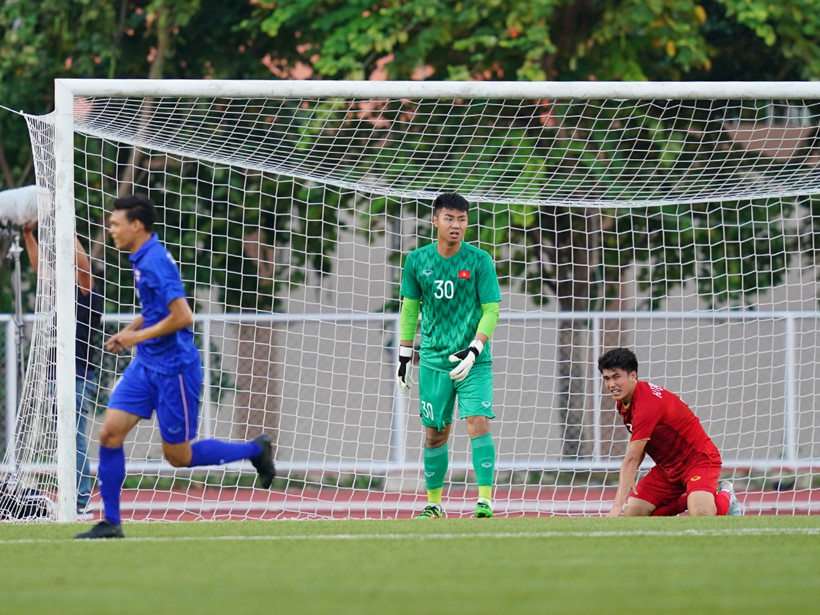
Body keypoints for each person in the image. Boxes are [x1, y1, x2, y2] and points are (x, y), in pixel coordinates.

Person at [75, 194, 275, 539]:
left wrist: (136, 338)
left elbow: (183, 316)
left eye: (115, 224)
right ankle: (111, 522)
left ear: (136, 225)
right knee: (109, 433)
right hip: (146, 365)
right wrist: (133, 330)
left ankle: (255, 449)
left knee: (178, 457)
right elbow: (158, 308)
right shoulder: (141, 256)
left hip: (174, 369)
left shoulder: (154, 262)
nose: (110, 230)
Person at [396, 193, 501, 519]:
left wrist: (476, 347)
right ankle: (434, 504)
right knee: (435, 432)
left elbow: (491, 310)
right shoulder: (417, 261)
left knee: (477, 422)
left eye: (461, 219)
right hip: (433, 361)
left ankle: (484, 500)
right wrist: (404, 354)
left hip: (474, 361)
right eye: (449, 218)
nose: (456, 225)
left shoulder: (480, 260)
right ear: (436, 221)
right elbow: (410, 308)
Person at [597, 347, 742, 517]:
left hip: (698, 461)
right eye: (606, 379)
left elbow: (632, 458)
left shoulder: (646, 405)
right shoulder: (624, 399)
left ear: (633, 376)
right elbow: (640, 447)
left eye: (616, 377)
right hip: (667, 468)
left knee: (702, 515)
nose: (611, 384)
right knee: (634, 516)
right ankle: (692, 498)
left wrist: (616, 508)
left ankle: (725, 494)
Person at [22, 221, 103, 514]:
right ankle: (74, 497)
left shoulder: (86, 294)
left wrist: (65, 230)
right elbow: (39, 268)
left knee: (74, 436)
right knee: (64, 437)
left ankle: (81, 502)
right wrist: (27, 234)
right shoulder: (58, 294)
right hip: (56, 375)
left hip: (78, 375)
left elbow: (82, 266)